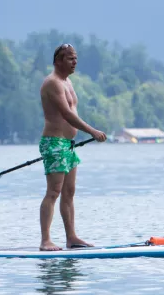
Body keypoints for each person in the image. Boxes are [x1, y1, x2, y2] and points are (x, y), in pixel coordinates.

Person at [38, 43, 107, 251]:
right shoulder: (53, 83)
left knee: (69, 192)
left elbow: (73, 115)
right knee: (53, 192)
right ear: (58, 61)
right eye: (70, 58)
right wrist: (92, 131)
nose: (74, 62)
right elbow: (67, 114)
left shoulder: (67, 82)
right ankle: (45, 240)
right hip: (54, 143)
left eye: (75, 58)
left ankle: (71, 237)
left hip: (68, 145)